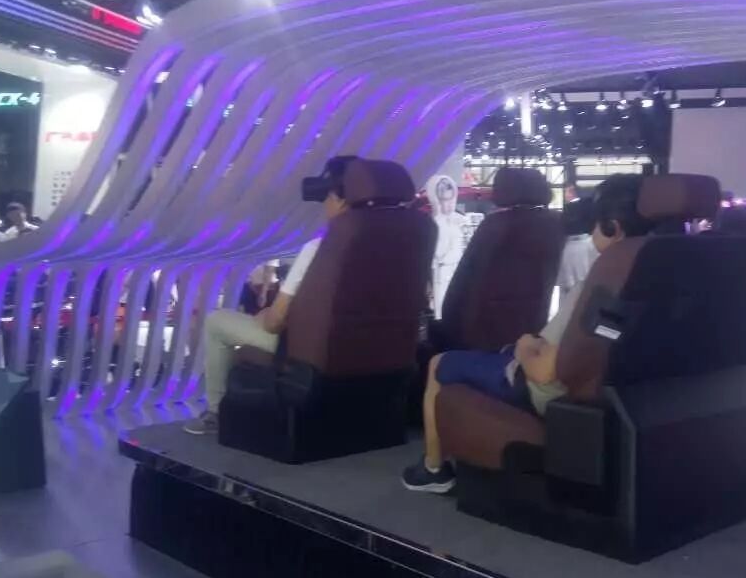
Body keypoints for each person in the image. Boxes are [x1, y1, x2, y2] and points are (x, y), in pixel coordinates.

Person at [402, 174, 652, 493]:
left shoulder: (599, 284)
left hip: (545, 385)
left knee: (438, 364)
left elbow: (544, 372)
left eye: (595, 223)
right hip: (614, 390)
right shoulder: (654, 273)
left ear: (612, 227)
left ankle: (433, 469)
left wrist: (524, 345)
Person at [184, 156, 356, 435]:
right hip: (364, 348)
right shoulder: (402, 240)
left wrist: (266, 316)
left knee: (217, 321)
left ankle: (217, 413)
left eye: (327, 196)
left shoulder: (319, 249)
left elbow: (276, 323)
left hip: (308, 349)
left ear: (339, 199)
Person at [428, 175, 466, 317]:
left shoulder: (460, 220)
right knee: (443, 312)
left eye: (452, 199)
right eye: (445, 200)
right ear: (437, 200)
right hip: (442, 274)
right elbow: (438, 253)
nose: (449, 204)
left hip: (458, 272)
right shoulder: (435, 223)